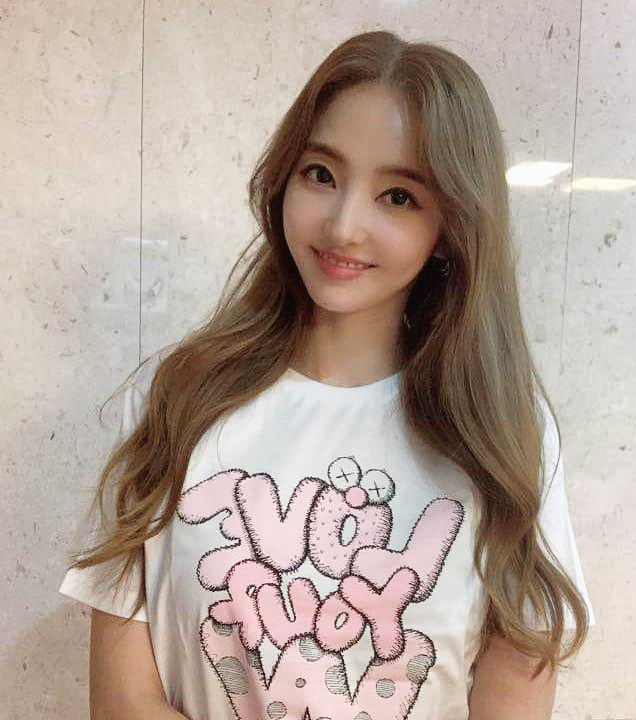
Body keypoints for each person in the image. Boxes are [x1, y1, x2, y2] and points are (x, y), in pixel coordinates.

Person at [58, 29, 595, 720]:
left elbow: (514, 689)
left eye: (398, 196)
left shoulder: (504, 430)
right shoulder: (176, 400)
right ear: (285, 177)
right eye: (321, 174)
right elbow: (122, 702)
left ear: (449, 228)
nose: (343, 226)